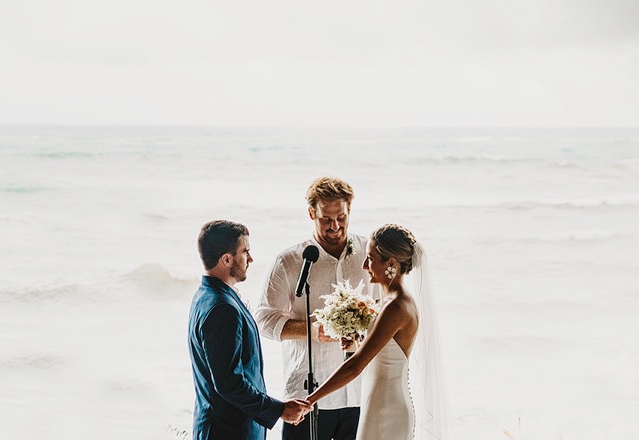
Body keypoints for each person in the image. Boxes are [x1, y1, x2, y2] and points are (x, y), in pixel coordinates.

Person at [305, 225, 447, 440]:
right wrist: (355, 344)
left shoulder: (397, 306)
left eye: (370, 258)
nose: (364, 265)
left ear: (391, 263)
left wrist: (310, 400)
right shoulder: (389, 302)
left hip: (388, 408)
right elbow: (383, 353)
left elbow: (355, 366)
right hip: (377, 401)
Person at [257, 177, 370, 440]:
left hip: (361, 391)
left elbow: (383, 309)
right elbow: (263, 319)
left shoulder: (368, 252)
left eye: (341, 217)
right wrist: (313, 330)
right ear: (311, 214)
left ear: (349, 211)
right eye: (325, 219)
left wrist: (363, 334)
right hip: (307, 395)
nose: (335, 226)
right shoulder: (289, 260)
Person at [188, 220, 310, 440]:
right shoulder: (222, 308)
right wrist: (278, 410)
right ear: (226, 259)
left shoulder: (206, 296)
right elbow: (229, 382)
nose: (251, 259)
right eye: (245, 252)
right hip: (228, 431)